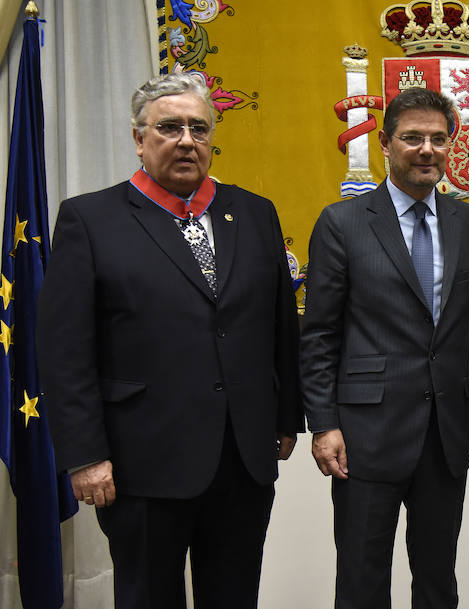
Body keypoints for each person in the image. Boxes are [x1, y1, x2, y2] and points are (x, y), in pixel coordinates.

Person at [36, 73, 301, 609]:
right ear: (139, 138)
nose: (186, 140)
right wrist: (85, 455)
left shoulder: (253, 212)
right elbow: (65, 350)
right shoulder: (90, 219)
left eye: (198, 128)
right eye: (169, 127)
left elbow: (280, 325)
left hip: (242, 458)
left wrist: (285, 417)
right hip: (141, 461)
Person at [300, 87, 469, 609]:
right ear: (384, 143)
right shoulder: (343, 222)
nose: (426, 150)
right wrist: (324, 424)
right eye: (412, 138)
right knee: (361, 578)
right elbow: (318, 335)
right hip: (364, 433)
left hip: (446, 432)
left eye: (438, 139)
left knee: (437, 577)